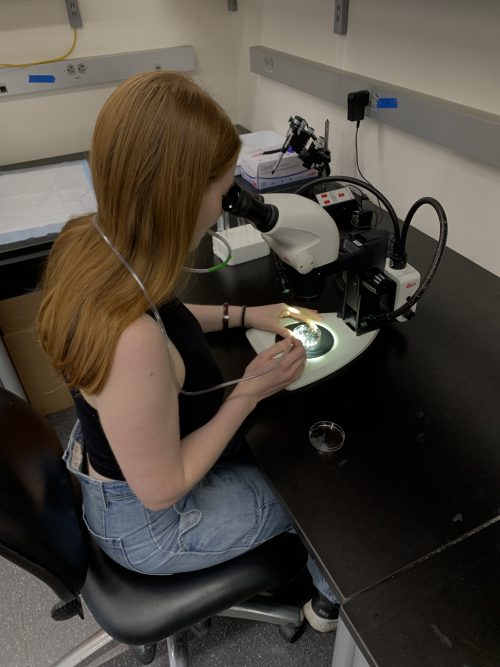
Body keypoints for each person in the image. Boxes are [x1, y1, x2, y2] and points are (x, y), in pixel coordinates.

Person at [37, 71, 339, 632]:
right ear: (179, 197)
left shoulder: (92, 237)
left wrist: (247, 314)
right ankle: (326, 608)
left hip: (116, 459)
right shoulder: (130, 341)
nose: (226, 200)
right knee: (317, 493)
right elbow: (163, 489)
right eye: (223, 187)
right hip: (150, 524)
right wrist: (249, 391)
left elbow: (165, 310)